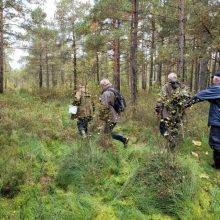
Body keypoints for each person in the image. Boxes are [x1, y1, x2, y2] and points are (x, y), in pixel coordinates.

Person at [185, 71, 220, 169]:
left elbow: (200, 96)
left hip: (218, 122)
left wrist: (185, 104)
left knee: (215, 142)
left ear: (216, 79)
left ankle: (218, 165)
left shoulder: (217, 88)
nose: (212, 79)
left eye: (213, 78)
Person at [155, 72, 191, 148]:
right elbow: (189, 98)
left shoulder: (165, 87)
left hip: (167, 113)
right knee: (175, 128)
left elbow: (160, 99)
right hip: (178, 113)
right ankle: (173, 144)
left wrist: (157, 109)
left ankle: (171, 141)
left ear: (169, 79)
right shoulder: (182, 87)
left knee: (162, 128)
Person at [99, 79, 129, 147]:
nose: (101, 87)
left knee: (106, 132)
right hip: (116, 115)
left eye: (101, 86)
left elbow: (105, 106)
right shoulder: (114, 90)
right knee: (107, 132)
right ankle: (107, 145)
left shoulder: (106, 93)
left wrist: (101, 116)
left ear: (104, 85)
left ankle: (123, 139)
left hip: (110, 116)